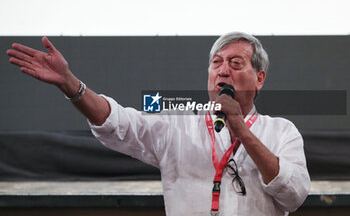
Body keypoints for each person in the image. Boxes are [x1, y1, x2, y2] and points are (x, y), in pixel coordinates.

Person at [7, 32, 310, 215]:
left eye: (235, 63)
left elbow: (294, 195)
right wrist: (71, 85)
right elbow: (119, 123)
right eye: (216, 63)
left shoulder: (282, 131)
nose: (222, 71)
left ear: (259, 78)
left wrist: (241, 131)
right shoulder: (177, 128)